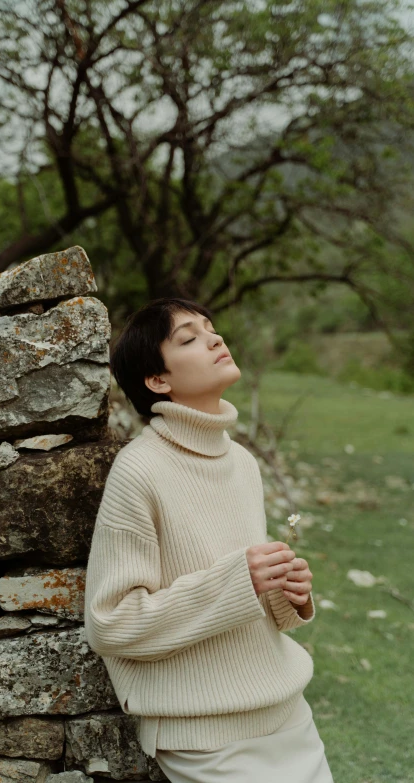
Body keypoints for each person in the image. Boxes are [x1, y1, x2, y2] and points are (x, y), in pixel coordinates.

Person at [84, 297, 335, 782]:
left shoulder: (241, 462)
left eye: (211, 328)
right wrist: (239, 580)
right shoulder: (139, 470)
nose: (215, 339)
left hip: (288, 716)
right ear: (158, 381)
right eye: (189, 338)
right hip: (206, 739)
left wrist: (288, 593)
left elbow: (247, 596)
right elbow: (110, 623)